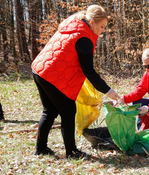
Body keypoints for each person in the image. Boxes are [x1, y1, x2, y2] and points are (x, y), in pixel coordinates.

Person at [31, 5, 120, 158]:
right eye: (102, 26)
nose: (103, 30)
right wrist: (108, 91)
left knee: (50, 111)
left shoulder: (74, 25)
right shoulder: (84, 37)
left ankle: (41, 149)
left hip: (39, 69)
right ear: (92, 23)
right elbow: (89, 71)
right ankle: (72, 152)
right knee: (68, 112)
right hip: (52, 75)